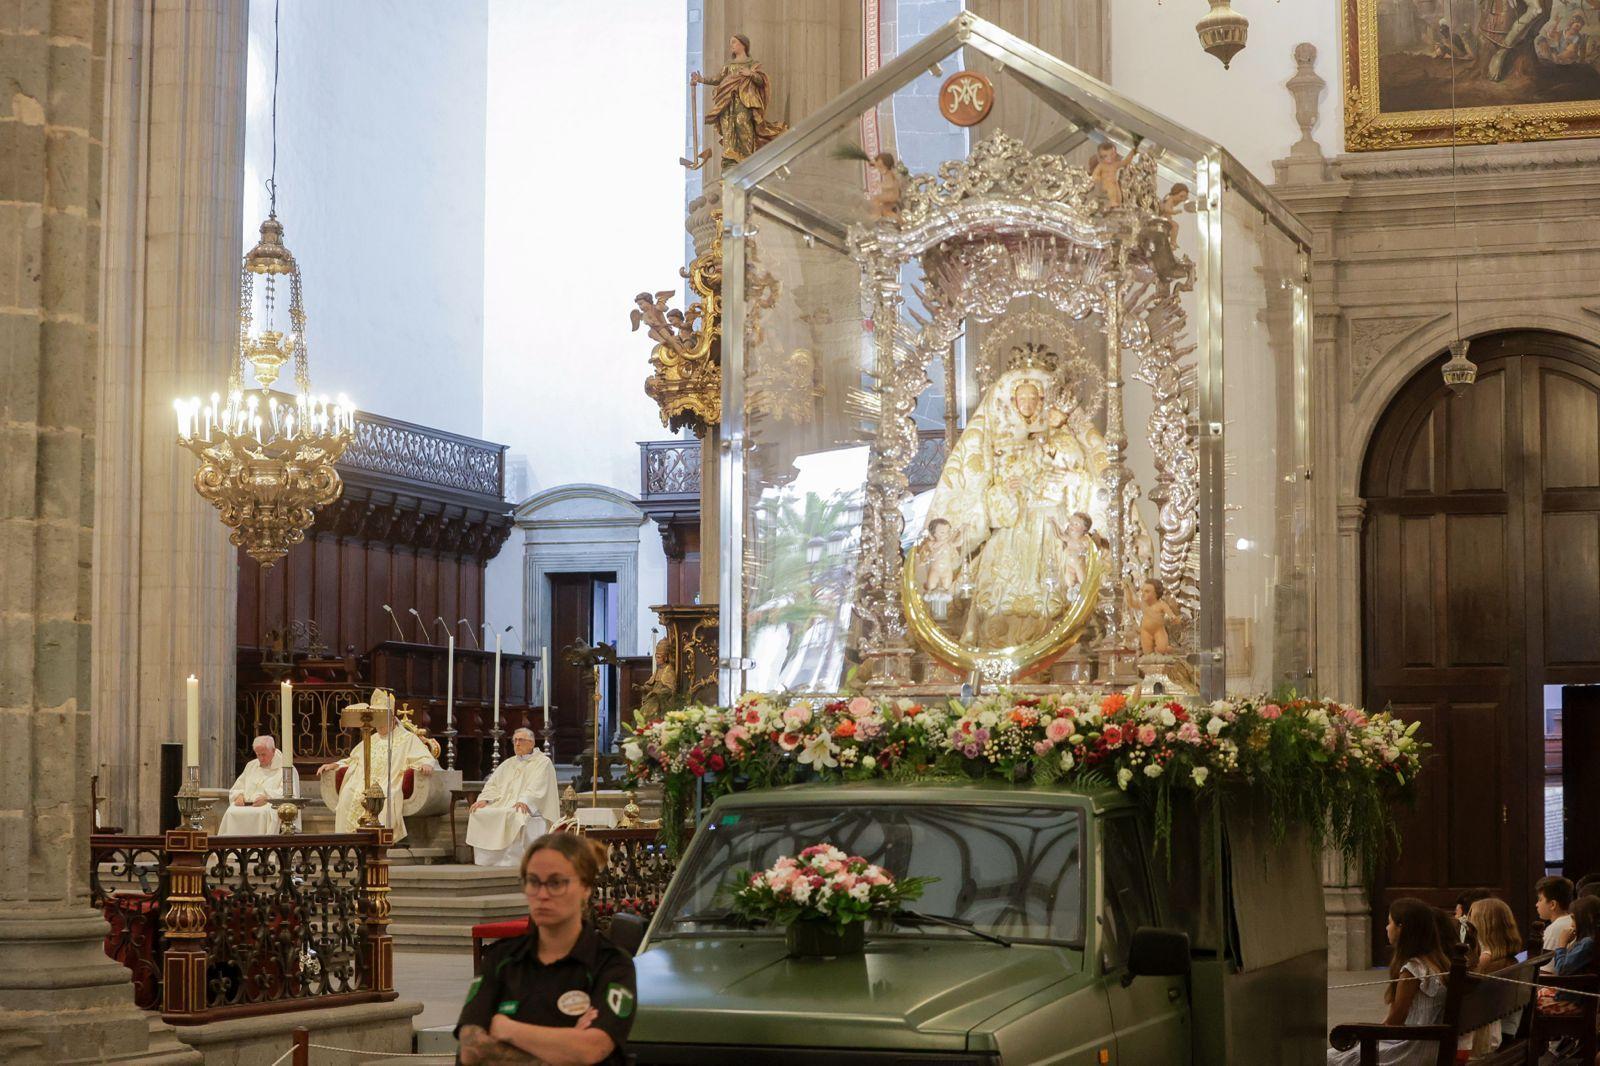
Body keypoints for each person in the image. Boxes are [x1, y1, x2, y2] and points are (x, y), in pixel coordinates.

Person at [455, 833, 636, 1066]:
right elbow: (473, 1049)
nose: (542, 894)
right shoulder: (502, 959)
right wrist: (565, 1048)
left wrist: (507, 1028)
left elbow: (592, 1049)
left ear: (585, 888)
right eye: (533, 881)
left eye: (556, 883)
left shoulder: (611, 964)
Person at [1327, 896, 1450, 1066]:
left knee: (1330, 1059)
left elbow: (1395, 1022)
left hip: (1412, 1050)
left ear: (1401, 928)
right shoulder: (1437, 962)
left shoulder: (1413, 970)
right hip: (1430, 1045)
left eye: (1389, 922)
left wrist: (1361, 1033)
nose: (1386, 927)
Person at [316, 690, 438, 843]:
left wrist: (425, 764)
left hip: (388, 782)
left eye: (382, 719)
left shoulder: (407, 738)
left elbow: (424, 757)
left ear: (392, 719)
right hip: (362, 783)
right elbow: (353, 760)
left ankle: (377, 843)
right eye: (376, 720)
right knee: (347, 795)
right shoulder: (371, 738)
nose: (379, 725)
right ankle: (346, 842)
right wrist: (335, 764)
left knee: (385, 799)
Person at [466, 728, 560, 868]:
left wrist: (525, 801)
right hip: (503, 803)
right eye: (514, 740)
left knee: (516, 814)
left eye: (521, 740)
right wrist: (484, 799)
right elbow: (492, 784)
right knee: (478, 812)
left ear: (531, 743)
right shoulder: (508, 763)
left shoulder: (542, 762)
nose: (517, 744)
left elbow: (538, 786)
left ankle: (512, 860)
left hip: (528, 806)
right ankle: (488, 860)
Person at [692, 34, 788, 166]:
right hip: (727, 104)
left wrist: (751, 74)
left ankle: (747, 161)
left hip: (744, 104)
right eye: (731, 43)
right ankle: (729, 161)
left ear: (743, 44)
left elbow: (761, 82)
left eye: (734, 42)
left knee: (743, 127)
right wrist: (702, 80)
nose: (731, 45)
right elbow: (717, 79)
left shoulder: (752, 65)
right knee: (728, 130)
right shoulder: (729, 66)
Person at [1464, 897, 1521, 1055]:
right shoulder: (1508, 960)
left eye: (1470, 917)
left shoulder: (1489, 963)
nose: (1466, 923)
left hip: (1493, 1039)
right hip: (1507, 1031)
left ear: (1483, 926)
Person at [217, 735, 297, 835]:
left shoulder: (286, 768)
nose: (260, 758)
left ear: (273, 750)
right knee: (231, 812)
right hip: (247, 805)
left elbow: (288, 793)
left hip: (270, 806)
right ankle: (232, 848)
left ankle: (260, 847)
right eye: (258, 755)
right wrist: (239, 795)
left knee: (263, 814)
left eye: (263, 754)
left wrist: (267, 798)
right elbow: (238, 786)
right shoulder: (251, 765)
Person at [1535, 874, 1576, 970]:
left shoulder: (1555, 928)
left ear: (1552, 904)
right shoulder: (1573, 920)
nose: (1536, 904)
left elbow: (1546, 970)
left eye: (1540, 900)